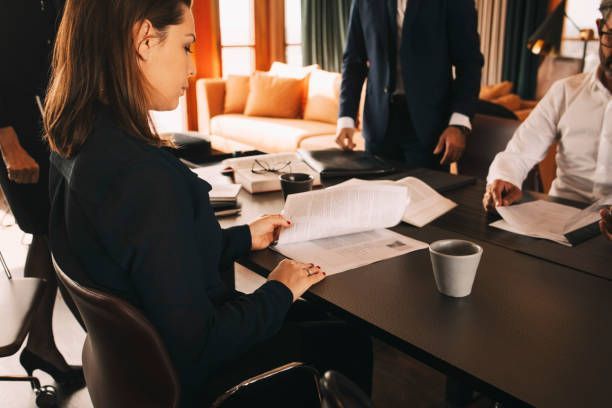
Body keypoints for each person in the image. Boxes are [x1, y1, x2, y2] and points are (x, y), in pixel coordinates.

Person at [44, 0, 372, 406]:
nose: (193, 67)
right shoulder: (144, 177)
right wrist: (279, 289)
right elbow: (201, 344)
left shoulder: (75, 145)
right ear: (145, 40)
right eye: (186, 46)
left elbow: (149, 259)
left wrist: (238, 238)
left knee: (321, 320)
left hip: (137, 371)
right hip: (201, 381)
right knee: (349, 339)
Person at [0, 0, 84, 388]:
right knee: (48, 227)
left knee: (49, 230)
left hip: (46, 125)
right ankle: (42, 345)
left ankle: (42, 344)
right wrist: (6, 141)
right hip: (13, 132)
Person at [484, 0, 612, 211]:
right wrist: (505, 177)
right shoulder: (565, 91)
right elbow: (520, 151)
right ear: (600, 29)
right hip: (559, 216)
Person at [335, 0, 483, 169]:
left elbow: (469, 63)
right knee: (377, 193)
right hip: (379, 127)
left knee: (425, 195)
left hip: (431, 129)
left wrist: (459, 124)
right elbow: (354, 61)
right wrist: (346, 117)